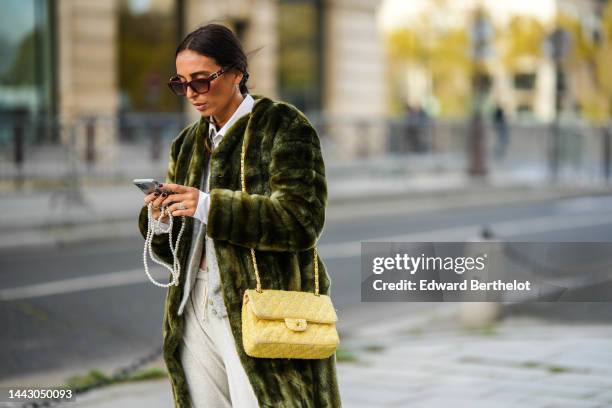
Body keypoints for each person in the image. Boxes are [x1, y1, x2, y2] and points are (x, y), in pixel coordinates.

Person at [136, 23, 341, 407]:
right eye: (181, 84)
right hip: (192, 304)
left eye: (202, 80)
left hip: (261, 305)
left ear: (236, 73)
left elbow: (302, 221)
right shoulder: (186, 143)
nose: (192, 94)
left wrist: (209, 205)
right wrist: (161, 219)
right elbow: (171, 252)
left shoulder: (284, 125)